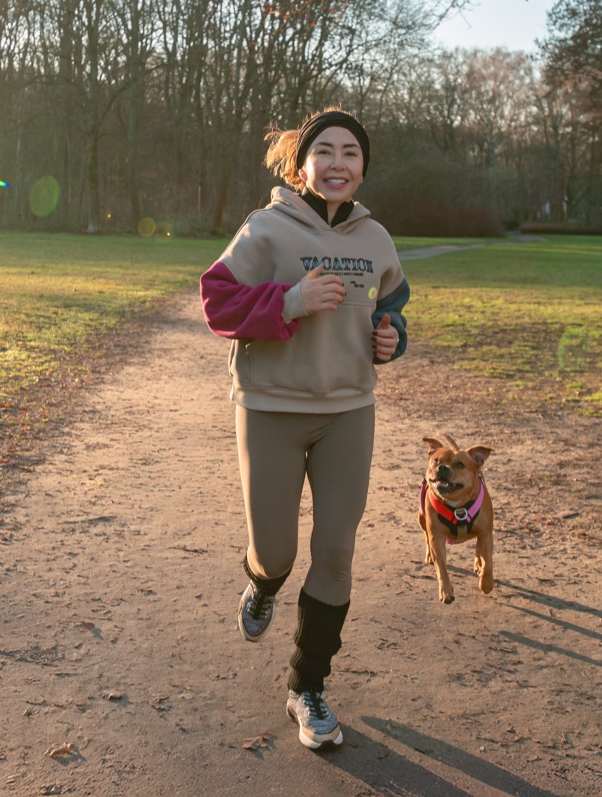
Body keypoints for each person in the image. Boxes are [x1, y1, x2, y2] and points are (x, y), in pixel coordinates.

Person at [199, 107, 409, 750]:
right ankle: (261, 583)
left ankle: (307, 687)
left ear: (363, 167)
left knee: (338, 551)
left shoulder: (376, 239)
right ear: (302, 165)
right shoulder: (266, 229)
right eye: (326, 151)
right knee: (278, 552)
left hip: (349, 408)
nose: (339, 163)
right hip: (270, 407)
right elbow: (216, 301)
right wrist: (291, 301)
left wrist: (391, 337)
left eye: (351, 152)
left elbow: (394, 303)